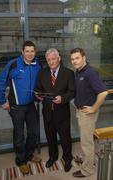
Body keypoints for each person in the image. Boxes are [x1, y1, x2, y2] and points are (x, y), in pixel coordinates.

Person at [0, 41, 42, 175]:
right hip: (16, 106)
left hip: (30, 105)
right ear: (22, 52)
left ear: (35, 52)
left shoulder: (37, 64)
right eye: (27, 51)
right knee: (19, 135)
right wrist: (2, 100)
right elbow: (1, 81)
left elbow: (40, 82)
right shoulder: (14, 64)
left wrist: (39, 94)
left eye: (32, 51)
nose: (30, 53)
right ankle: (21, 160)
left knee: (33, 132)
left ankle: (29, 154)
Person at [70, 48, 108, 177]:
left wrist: (93, 108)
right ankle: (87, 160)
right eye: (72, 59)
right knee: (85, 140)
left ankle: (87, 170)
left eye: (77, 58)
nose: (74, 61)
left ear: (84, 58)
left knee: (87, 143)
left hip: (87, 113)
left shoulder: (90, 73)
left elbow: (103, 92)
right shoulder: (78, 72)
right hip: (80, 111)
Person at [36, 48, 75, 172]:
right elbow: (38, 89)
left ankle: (67, 158)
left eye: (53, 59)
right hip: (47, 112)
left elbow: (72, 92)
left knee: (65, 138)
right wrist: (38, 95)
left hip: (62, 112)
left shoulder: (68, 73)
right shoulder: (42, 73)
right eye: (48, 60)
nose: (51, 62)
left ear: (59, 59)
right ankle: (53, 157)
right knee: (50, 137)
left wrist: (62, 98)